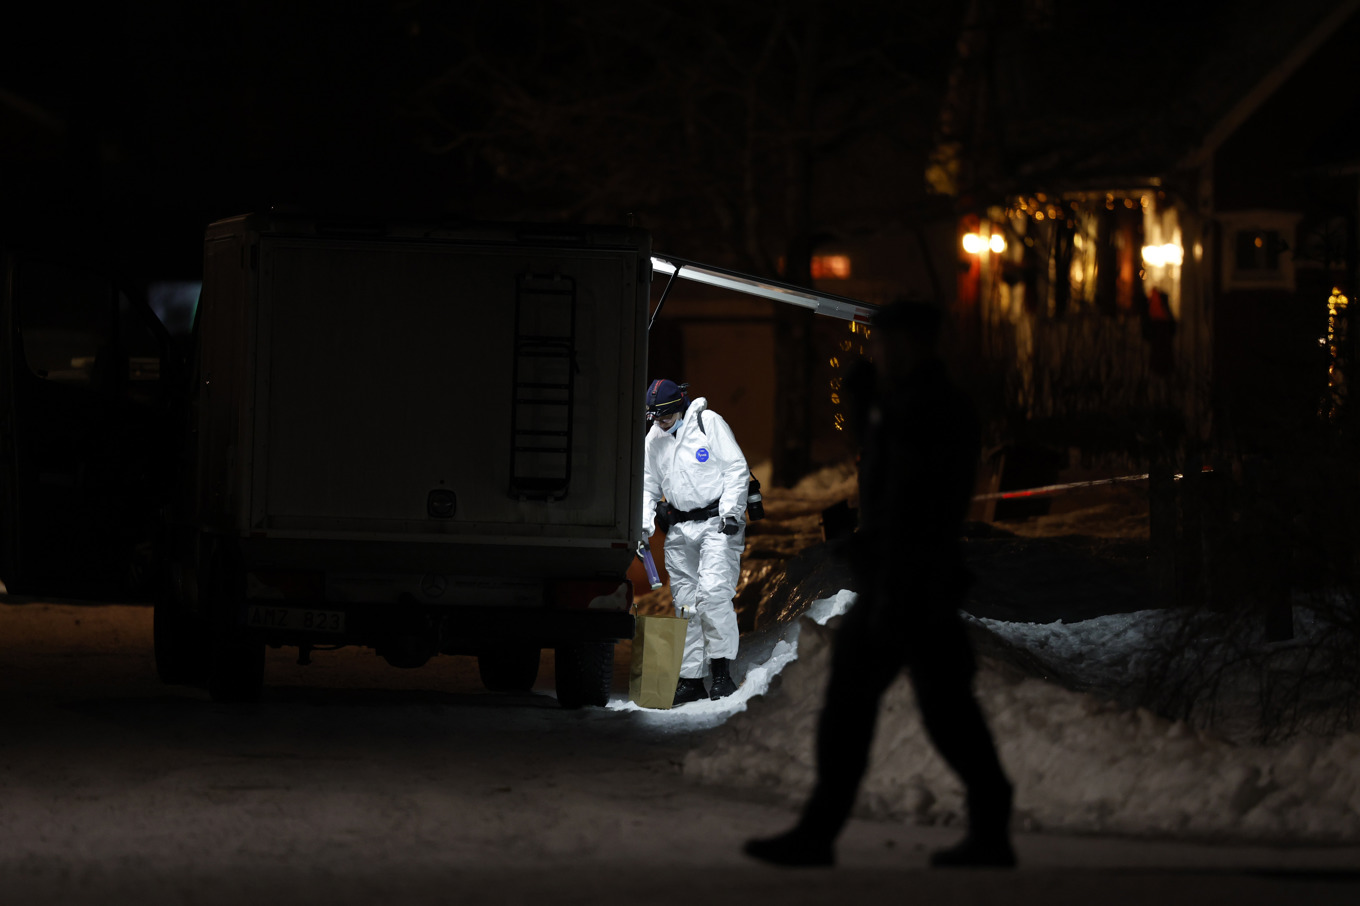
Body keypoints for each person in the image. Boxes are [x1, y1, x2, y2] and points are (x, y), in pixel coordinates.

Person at [743, 298, 1015, 868]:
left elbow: (918, 492)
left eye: (887, 343)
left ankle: (982, 823)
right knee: (880, 705)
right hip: (901, 576)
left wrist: (876, 414)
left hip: (914, 580)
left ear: (915, 344)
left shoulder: (936, 409)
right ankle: (824, 831)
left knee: (927, 708)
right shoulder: (910, 405)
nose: (878, 353)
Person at [641, 379, 749, 704]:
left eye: (665, 416)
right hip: (680, 528)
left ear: (679, 407)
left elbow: (735, 468)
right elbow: (647, 485)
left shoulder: (708, 424)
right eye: (655, 417)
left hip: (718, 523)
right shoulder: (654, 440)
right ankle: (690, 679)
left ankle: (721, 675)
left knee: (713, 596)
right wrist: (644, 524)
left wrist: (731, 511)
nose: (660, 422)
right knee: (686, 605)